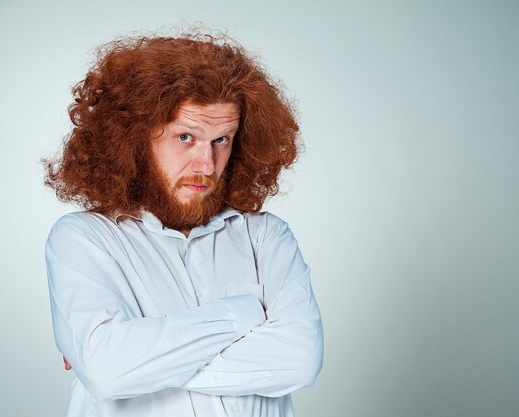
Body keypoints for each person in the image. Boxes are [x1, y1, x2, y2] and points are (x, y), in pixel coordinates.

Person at [44, 31, 324, 417]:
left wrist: (141, 362)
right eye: (186, 136)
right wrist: (243, 314)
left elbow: (299, 360)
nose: (206, 165)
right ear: (136, 138)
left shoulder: (266, 237)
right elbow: (109, 372)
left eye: (222, 139)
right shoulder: (83, 239)